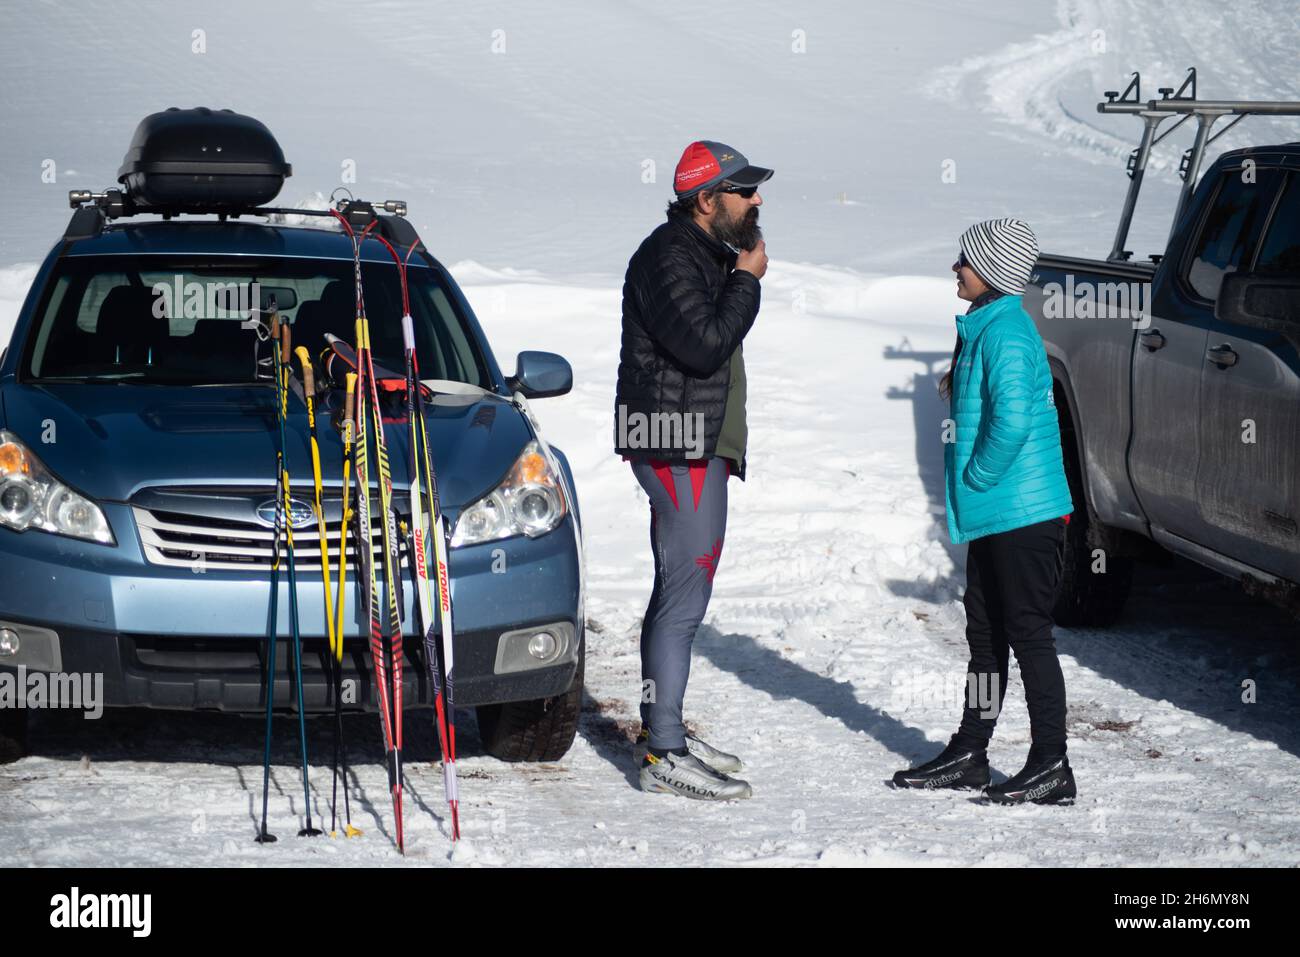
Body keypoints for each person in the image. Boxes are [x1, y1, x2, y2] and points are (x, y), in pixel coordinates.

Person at [892, 218, 1077, 804]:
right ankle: (972, 750)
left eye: (965, 260)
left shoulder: (1008, 336)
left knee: (1028, 635)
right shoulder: (986, 327)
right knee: (987, 636)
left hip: (1023, 515)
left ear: (993, 272)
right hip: (999, 515)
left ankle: (1051, 762)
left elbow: (1014, 421)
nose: (956, 268)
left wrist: (977, 477)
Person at [613, 140, 771, 800]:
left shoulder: (699, 251)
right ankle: (664, 754)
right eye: (743, 191)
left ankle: (666, 727)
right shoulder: (667, 257)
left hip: (692, 444)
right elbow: (704, 346)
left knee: (680, 594)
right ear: (707, 200)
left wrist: (736, 275)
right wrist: (748, 281)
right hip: (674, 446)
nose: (757, 200)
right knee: (683, 598)